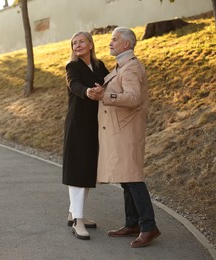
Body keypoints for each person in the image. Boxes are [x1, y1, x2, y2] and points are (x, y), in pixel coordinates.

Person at [87, 27, 161, 248]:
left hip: (127, 131)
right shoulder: (121, 66)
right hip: (120, 131)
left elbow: (133, 98)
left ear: (127, 44)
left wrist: (106, 95)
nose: (110, 43)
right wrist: (102, 90)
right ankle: (132, 223)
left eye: (115, 39)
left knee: (133, 179)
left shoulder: (131, 68)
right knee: (126, 178)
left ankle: (149, 227)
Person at [62, 31, 109, 240]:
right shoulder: (72, 66)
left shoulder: (99, 66)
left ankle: (74, 212)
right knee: (77, 171)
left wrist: (105, 90)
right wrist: (88, 92)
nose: (77, 45)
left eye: (81, 42)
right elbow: (74, 84)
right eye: (74, 43)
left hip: (96, 124)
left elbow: (110, 83)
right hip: (77, 124)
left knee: (88, 170)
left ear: (90, 44)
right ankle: (78, 222)